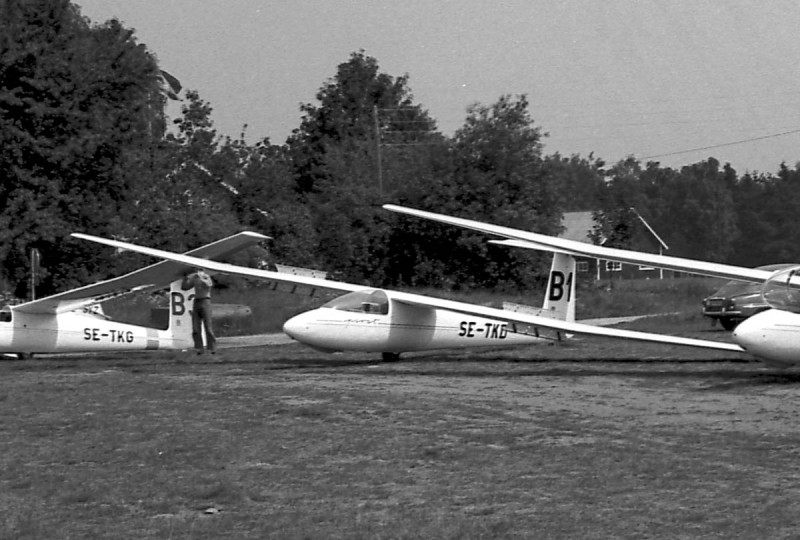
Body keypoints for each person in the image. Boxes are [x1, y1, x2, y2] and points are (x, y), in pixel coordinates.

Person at [181, 268, 217, 354]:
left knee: (208, 327)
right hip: (197, 300)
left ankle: (212, 348)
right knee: (196, 327)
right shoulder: (194, 278)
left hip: (205, 300)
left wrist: (201, 278)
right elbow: (185, 287)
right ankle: (199, 348)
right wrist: (186, 278)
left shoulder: (206, 276)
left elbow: (209, 285)